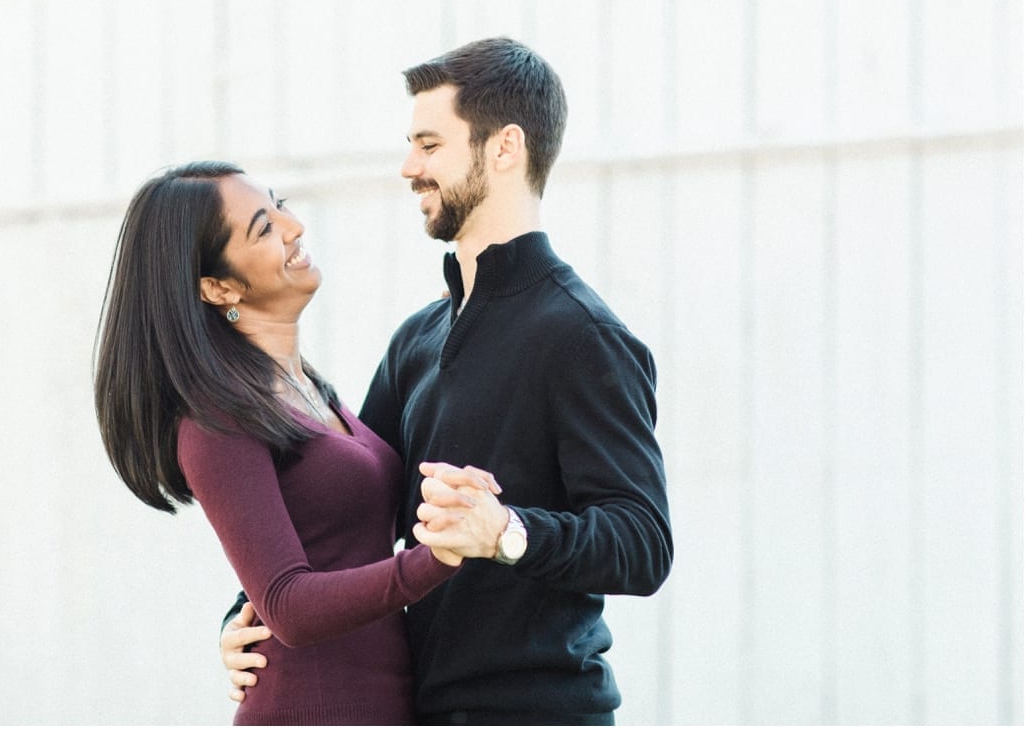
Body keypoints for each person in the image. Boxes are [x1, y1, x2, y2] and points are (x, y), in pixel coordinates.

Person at [221, 38, 673, 725]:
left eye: (429, 145)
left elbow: (642, 541)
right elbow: (344, 504)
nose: (409, 167)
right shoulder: (417, 340)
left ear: (504, 148)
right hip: (418, 713)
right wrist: (249, 612)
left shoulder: (583, 336)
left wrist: (507, 531)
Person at [94, 161, 497, 726]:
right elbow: (288, 605)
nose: (294, 226)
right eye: (263, 227)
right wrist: (441, 556)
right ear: (218, 287)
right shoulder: (216, 420)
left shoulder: (311, 391)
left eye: (280, 204)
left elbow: (317, 551)